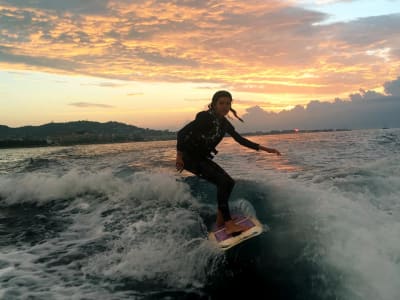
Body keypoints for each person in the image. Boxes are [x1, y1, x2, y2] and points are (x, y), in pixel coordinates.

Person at [176, 90, 281, 235]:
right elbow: (181, 133)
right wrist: (179, 157)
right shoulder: (205, 117)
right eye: (221, 103)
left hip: (201, 158)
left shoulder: (224, 123)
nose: (225, 106)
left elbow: (240, 139)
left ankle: (221, 219)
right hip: (189, 158)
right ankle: (228, 223)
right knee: (223, 182)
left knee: (229, 182)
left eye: (228, 103)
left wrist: (265, 148)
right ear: (213, 104)